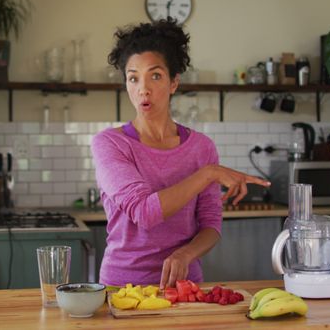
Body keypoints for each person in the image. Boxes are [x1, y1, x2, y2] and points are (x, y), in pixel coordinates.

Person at [91, 18, 270, 289]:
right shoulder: (110, 144)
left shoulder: (201, 147)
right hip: (123, 290)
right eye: (133, 78)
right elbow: (143, 212)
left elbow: (211, 224)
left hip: (185, 288)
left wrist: (186, 254)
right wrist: (209, 173)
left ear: (174, 82)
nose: (143, 89)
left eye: (155, 75)